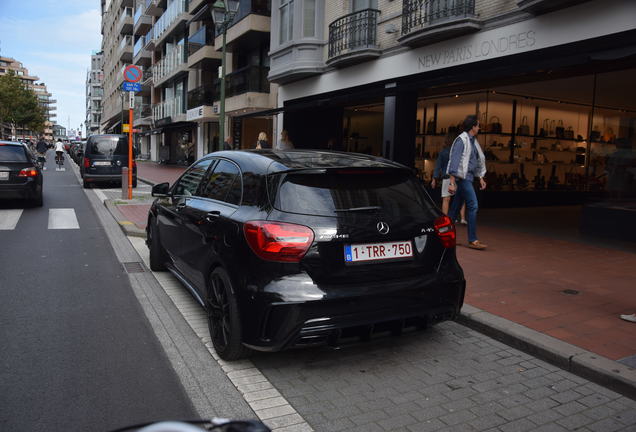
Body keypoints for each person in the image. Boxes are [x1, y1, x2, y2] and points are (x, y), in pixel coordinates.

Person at [447, 115, 488, 250]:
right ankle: (472, 239)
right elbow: (454, 160)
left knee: (454, 210)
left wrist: (480, 177)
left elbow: (475, 161)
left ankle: (446, 236)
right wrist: (452, 182)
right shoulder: (462, 140)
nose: (479, 128)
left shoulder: (472, 141)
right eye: (478, 125)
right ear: (473, 127)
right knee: (473, 205)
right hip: (463, 179)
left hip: (469, 178)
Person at [431, 131, 466, 222]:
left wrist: (434, 179)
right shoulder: (459, 151)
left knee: (446, 199)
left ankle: (445, 219)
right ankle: (462, 218)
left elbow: (438, 166)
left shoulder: (443, 152)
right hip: (458, 177)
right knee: (461, 199)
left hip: (447, 177)